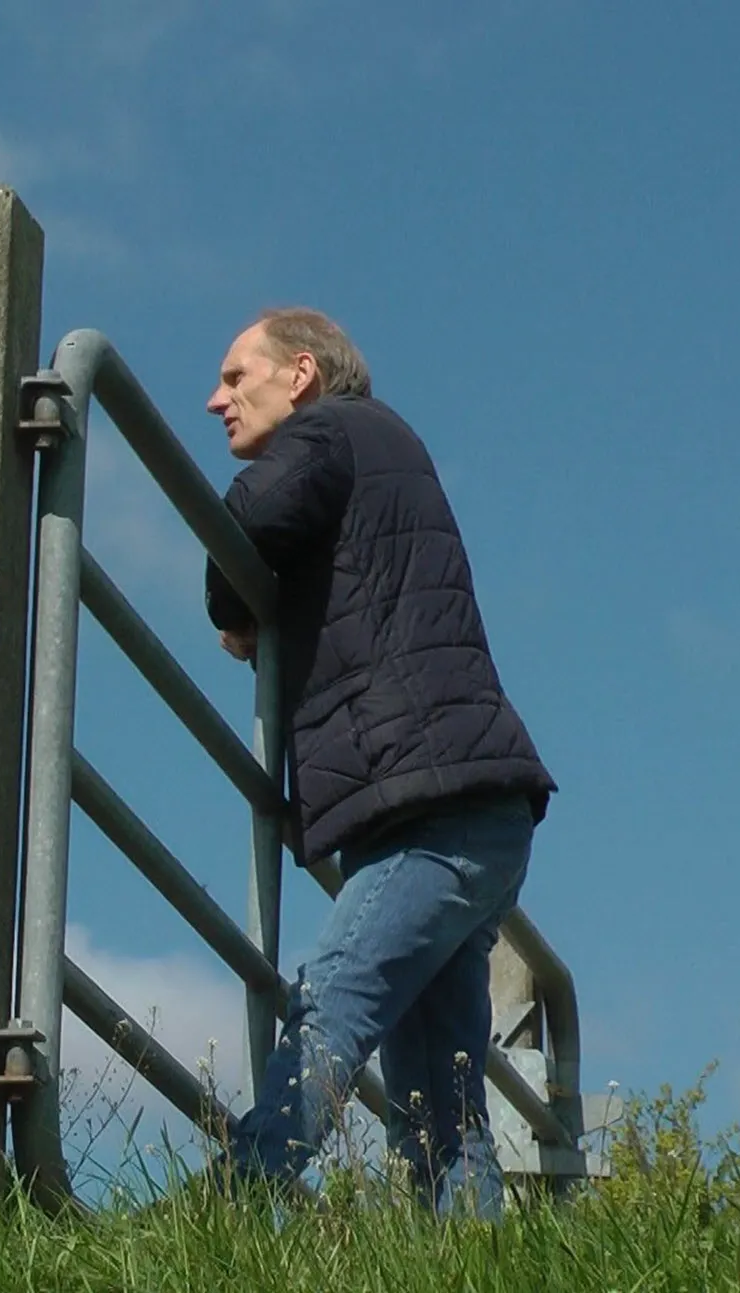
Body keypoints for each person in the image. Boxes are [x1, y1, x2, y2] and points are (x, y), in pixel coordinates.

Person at [202, 309, 556, 1218]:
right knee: (440, 1101)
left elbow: (251, 513)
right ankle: (469, 1262)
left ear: (302, 374)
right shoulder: (375, 446)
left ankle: (240, 1204)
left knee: (331, 1003)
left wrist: (233, 607)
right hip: (471, 807)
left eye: (238, 376)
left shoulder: (332, 430)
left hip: (426, 812)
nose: (217, 399)